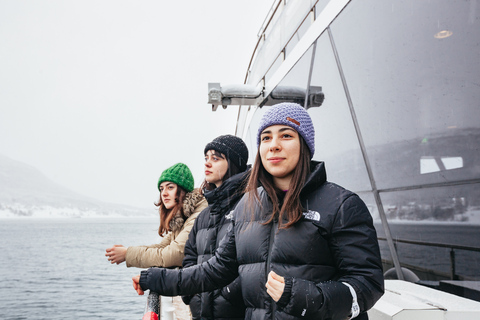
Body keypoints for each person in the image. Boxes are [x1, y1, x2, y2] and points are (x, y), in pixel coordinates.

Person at [132, 103, 384, 320]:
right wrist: (154, 278)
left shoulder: (341, 205)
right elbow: (216, 270)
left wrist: (307, 297)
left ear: (304, 145)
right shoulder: (247, 206)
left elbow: (367, 285)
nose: (273, 146)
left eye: (286, 136)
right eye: (266, 138)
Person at [106, 162, 207, 319]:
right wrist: (127, 251)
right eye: (161, 189)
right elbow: (161, 246)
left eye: (170, 187)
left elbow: (171, 255)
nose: (164, 193)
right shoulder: (183, 217)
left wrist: (127, 254)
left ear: (183, 190)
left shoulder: (197, 215)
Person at [182, 134, 250, 320]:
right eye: (206, 158)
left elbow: (253, 262)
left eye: (216, 158)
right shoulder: (205, 214)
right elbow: (190, 255)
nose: (207, 163)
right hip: (201, 312)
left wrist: (227, 293)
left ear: (234, 163)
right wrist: (191, 293)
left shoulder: (249, 206)